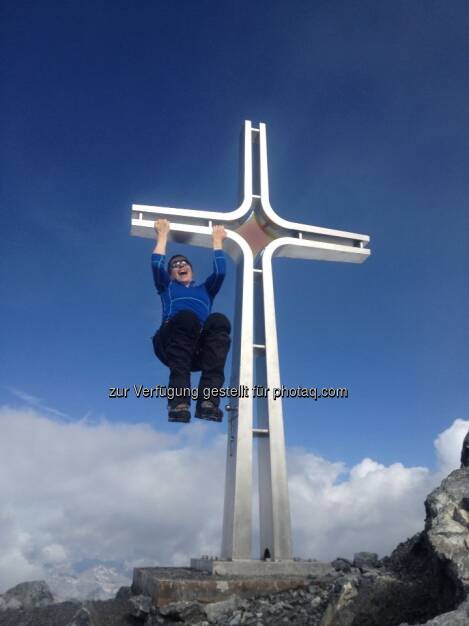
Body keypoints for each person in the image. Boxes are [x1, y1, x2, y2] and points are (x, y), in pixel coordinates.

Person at [151, 218, 231, 423]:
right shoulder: (167, 286)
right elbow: (156, 263)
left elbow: (220, 272)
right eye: (175, 265)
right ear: (171, 274)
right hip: (169, 343)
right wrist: (162, 235)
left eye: (184, 263)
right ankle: (178, 403)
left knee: (219, 320)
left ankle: (208, 402)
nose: (180, 266)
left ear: (191, 269)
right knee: (187, 318)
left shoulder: (204, 290)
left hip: (196, 350)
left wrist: (217, 241)